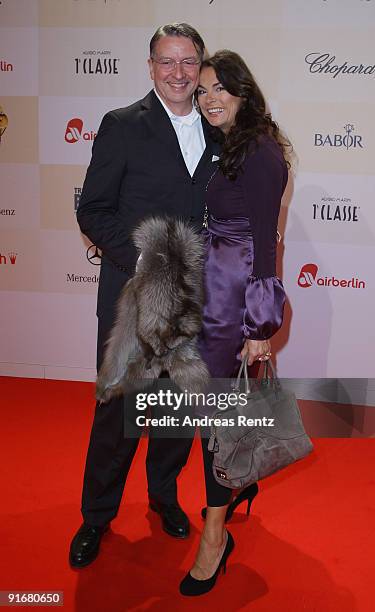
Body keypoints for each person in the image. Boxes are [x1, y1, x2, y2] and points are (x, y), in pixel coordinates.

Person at [70, 23, 219, 568]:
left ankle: (163, 498)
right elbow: (93, 210)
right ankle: (95, 517)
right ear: (151, 65)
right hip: (133, 299)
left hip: (194, 301)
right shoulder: (122, 126)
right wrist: (143, 259)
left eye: (188, 62)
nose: (178, 73)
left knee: (176, 408)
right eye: (167, 61)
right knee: (118, 410)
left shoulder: (218, 126)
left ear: (200, 66)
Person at [179, 50, 290, 596]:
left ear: (244, 91)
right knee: (215, 416)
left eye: (221, 88)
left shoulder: (262, 155)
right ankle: (232, 489)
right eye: (202, 91)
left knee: (219, 419)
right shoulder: (229, 146)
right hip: (212, 301)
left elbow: (266, 245)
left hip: (235, 309)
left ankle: (215, 533)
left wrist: (259, 328)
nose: (210, 98)